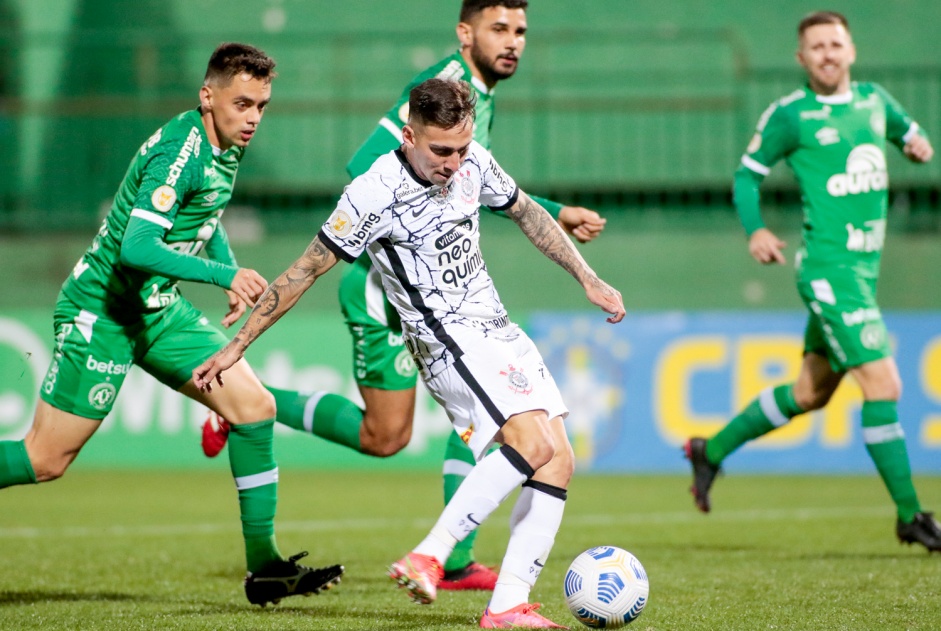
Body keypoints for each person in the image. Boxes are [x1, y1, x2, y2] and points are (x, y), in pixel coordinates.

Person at [199, 0, 607, 591]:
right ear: (466, 34)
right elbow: (371, 169)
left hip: (456, 308)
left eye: (520, 30)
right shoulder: (446, 91)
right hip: (382, 289)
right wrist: (397, 252)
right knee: (493, 425)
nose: (513, 41)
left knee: (393, 436)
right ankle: (446, 553)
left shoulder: (473, 110)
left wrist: (553, 214)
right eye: (500, 29)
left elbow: (492, 187)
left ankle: (461, 561)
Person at [0, 43, 344, 605]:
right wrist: (221, 276)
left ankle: (266, 569)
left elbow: (206, 213)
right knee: (45, 460)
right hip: (103, 312)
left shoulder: (223, 146)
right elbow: (136, 247)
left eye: (262, 105)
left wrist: (229, 268)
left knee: (255, 408)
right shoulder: (179, 152)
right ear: (207, 96)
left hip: (159, 311)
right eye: (243, 103)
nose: (254, 117)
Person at [684, 11, 940, 552]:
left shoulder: (875, 101)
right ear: (801, 59)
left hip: (862, 275)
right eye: (816, 47)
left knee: (810, 392)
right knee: (884, 385)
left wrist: (917, 145)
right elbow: (746, 175)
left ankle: (712, 449)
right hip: (830, 272)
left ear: (851, 50)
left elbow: (911, 135)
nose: (827, 53)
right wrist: (756, 230)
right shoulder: (792, 115)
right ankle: (910, 515)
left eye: (835, 44)